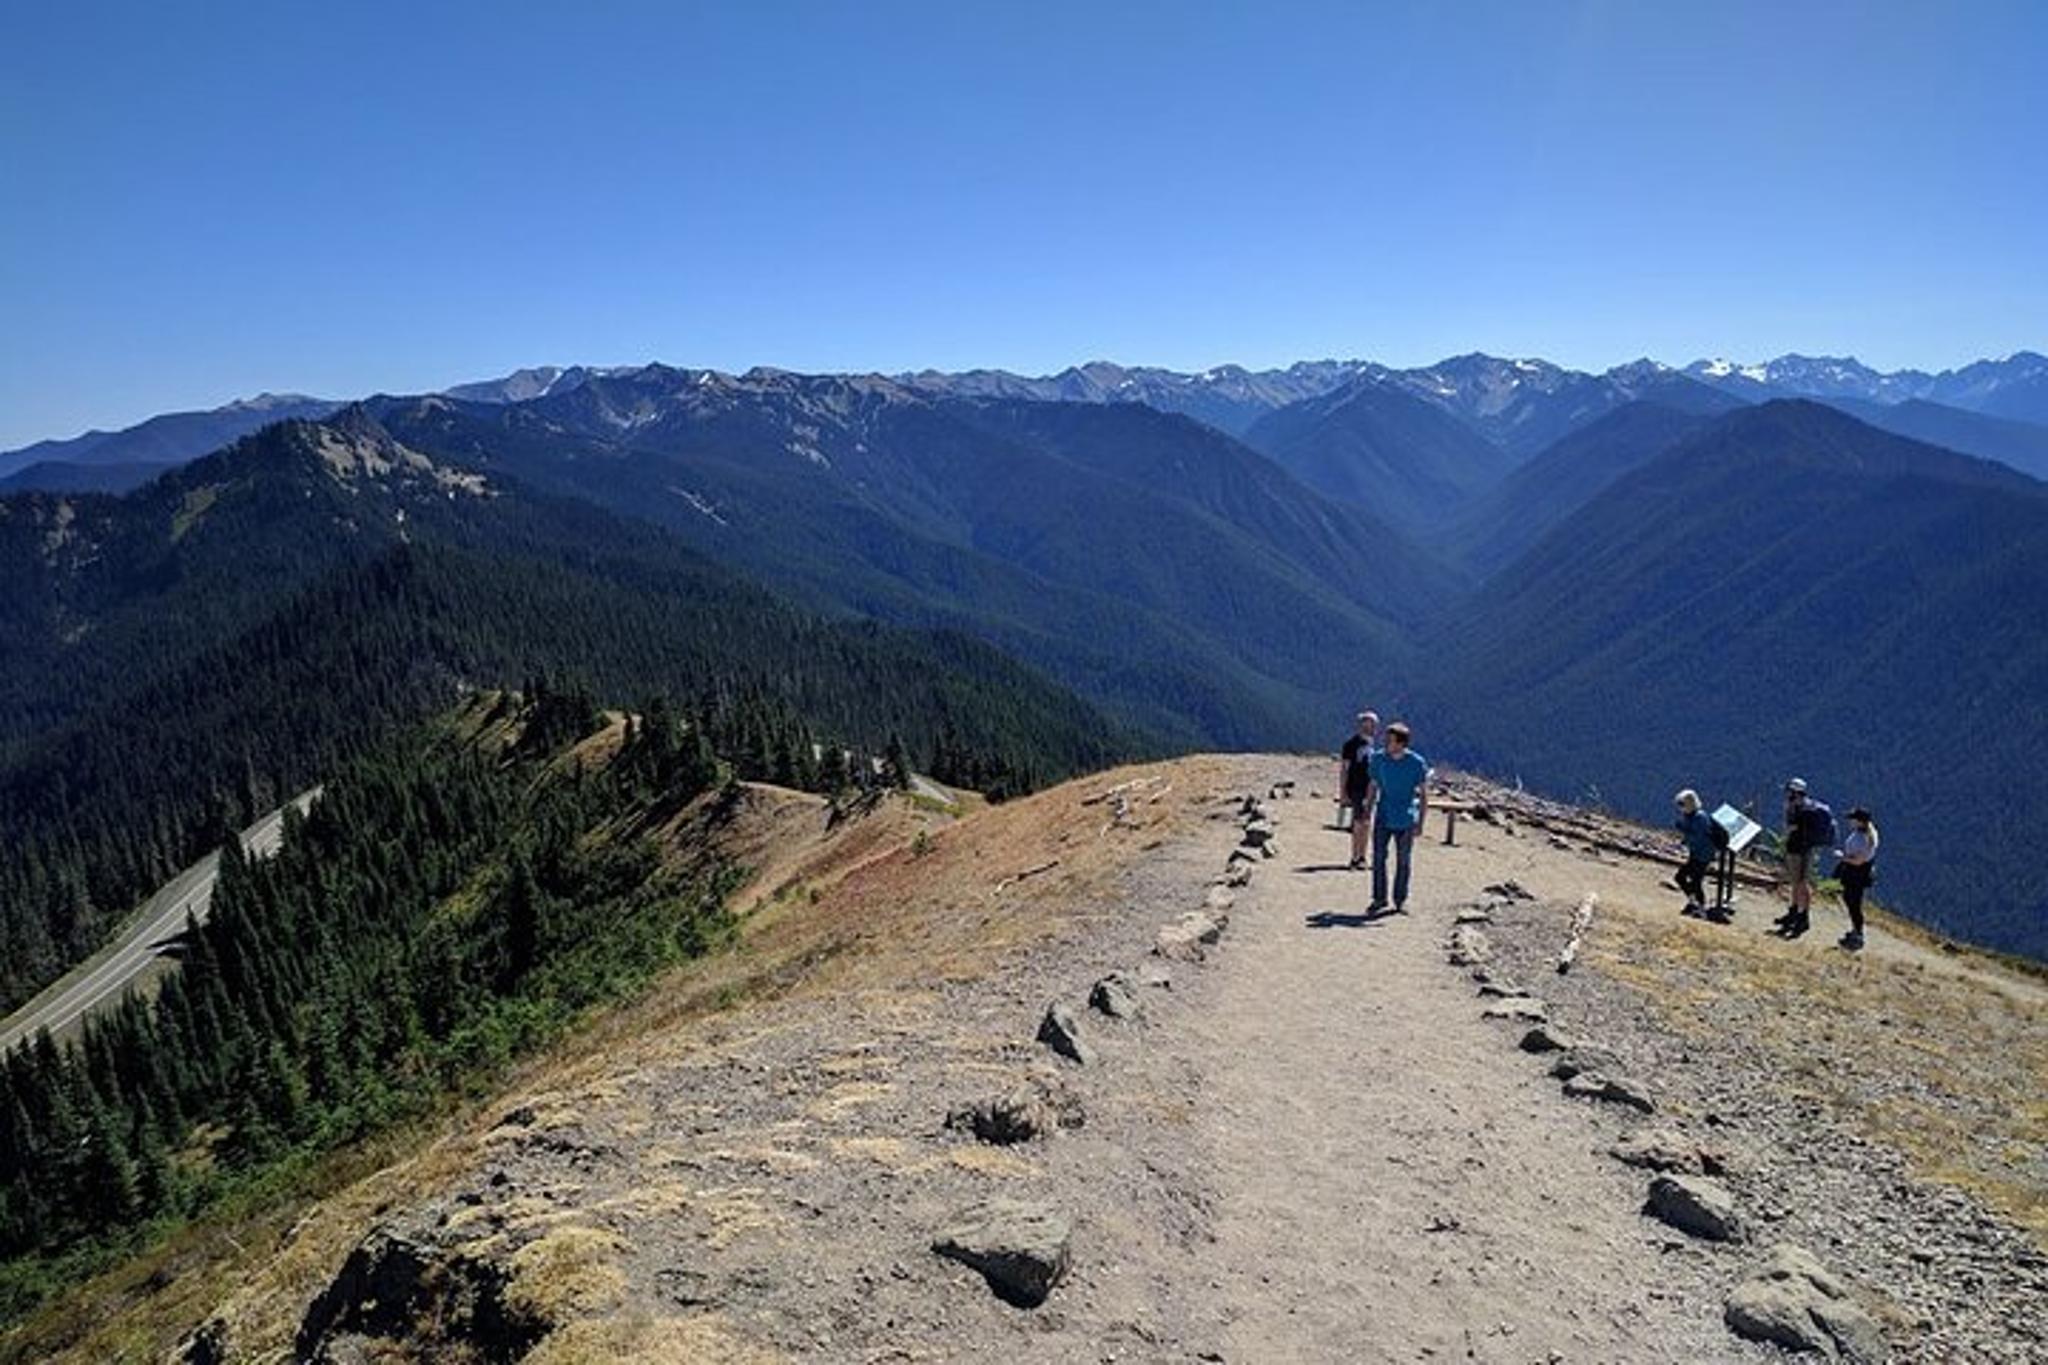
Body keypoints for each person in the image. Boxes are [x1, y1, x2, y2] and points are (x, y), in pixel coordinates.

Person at [1367, 722, 1431, 913]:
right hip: (1383, 815)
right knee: (1378, 858)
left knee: (1403, 860)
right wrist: (1367, 809)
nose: (1387, 743)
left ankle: (1400, 899)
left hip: (1406, 817)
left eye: (1391, 740)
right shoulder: (1378, 759)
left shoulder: (1416, 763)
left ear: (1402, 743)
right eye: (1387, 739)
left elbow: (1424, 794)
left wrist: (1421, 822)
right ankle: (1379, 898)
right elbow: (1373, 785)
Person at [1775, 777, 1834, 938]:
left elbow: (1790, 827)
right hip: (1807, 848)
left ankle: (1800, 915)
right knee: (1800, 882)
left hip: (1796, 848)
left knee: (1799, 883)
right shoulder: (1809, 806)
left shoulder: (1796, 808)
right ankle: (1797, 913)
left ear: (1793, 792)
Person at [1335, 711, 1380, 870]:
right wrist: (1343, 792)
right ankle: (1355, 856)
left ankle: (1362, 855)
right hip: (1357, 788)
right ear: (1363, 725)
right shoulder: (1351, 745)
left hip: (1370, 788)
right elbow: (1344, 770)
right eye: (1370, 724)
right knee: (1358, 822)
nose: (1373, 727)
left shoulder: (1371, 745)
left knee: (1366, 822)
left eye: (1374, 724)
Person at [1833, 807, 1880, 950]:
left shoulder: (1865, 838)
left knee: (1854, 902)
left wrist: (1842, 857)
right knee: (1851, 900)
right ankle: (1855, 930)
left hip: (1857, 873)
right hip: (1856, 872)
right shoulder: (1864, 834)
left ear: (1860, 821)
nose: (1850, 821)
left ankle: (1858, 933)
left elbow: (1859, 860)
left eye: (1853, 819)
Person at [1672, 789, 1720, 916]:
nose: (1680, 808)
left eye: (1681, 804)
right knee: (1685, 878)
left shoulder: (1699, 818)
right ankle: (1694, 903)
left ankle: (1700, 906)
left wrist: (1684, 831)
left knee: (1694, 881)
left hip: (1703, 855)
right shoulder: (1693, 816)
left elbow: (1698, 837)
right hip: (1697, 854)